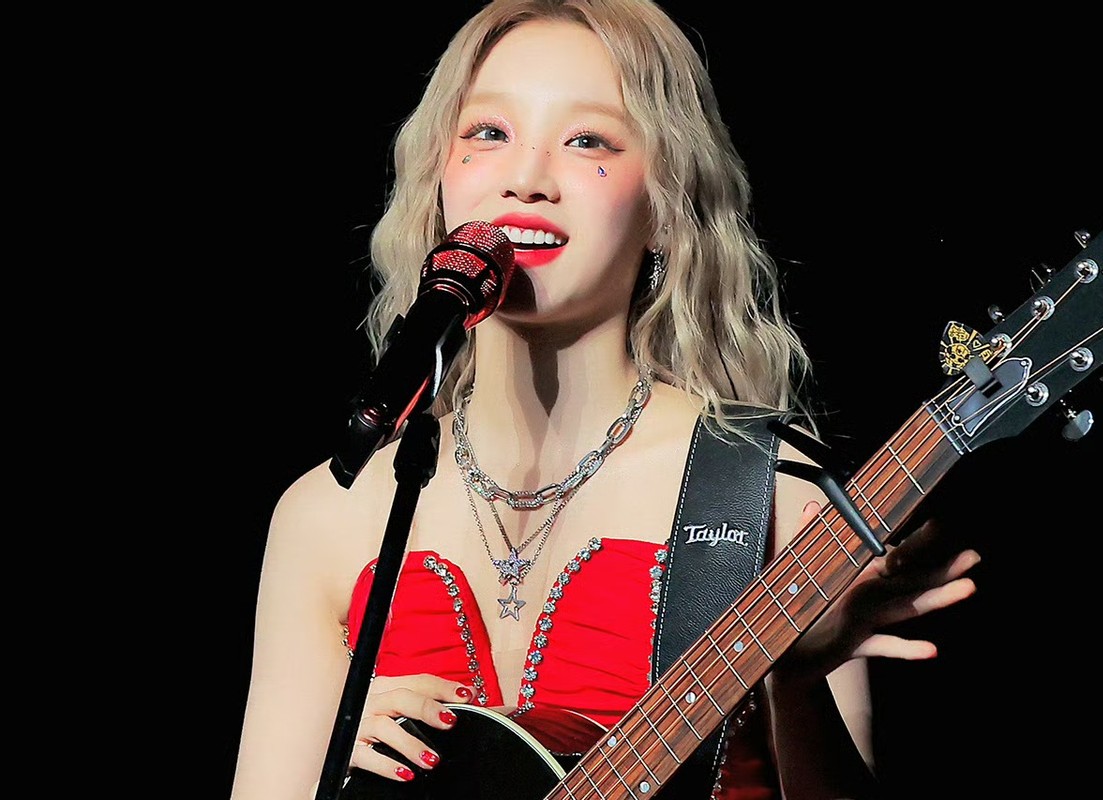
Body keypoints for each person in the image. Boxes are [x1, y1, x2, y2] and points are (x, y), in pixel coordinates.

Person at [230, 1, 981, 798]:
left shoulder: (774, 493)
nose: (526, 177)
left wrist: (790, 679)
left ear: (665, 202)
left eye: (587, 140)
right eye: (489, 132)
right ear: (438, 180)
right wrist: (329, 765)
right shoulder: (328, 516)